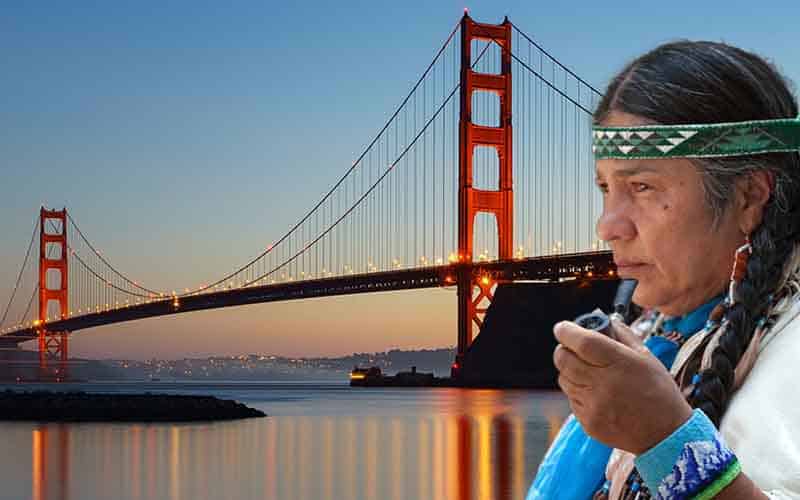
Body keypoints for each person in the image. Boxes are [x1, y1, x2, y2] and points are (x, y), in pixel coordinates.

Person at [528, 40, 800, 499]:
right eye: (605, 188)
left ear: (749, 197)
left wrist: (665, 441)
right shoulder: (663, 335)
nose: (607, 226)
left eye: (642, 186)